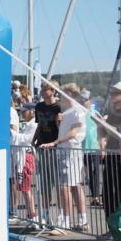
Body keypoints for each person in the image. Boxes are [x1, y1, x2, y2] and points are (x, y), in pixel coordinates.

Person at [39, 84, 87, 232]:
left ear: (71, 94)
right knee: (71, 186)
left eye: (64, 93)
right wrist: (58, 123)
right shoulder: (67, 112)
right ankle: (80, 219)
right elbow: (64, 131)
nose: (60, 96)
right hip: (64, 151)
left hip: (71, 152)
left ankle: (66, 222)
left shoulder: (77, 111)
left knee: (66, 187)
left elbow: (73, 133)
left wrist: (55, 142)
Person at [100, 81, 121, 220]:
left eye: (116, 93)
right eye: (112, 92)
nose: (112, 95)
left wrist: (105, 126)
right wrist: (102, 143)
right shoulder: (111, 112)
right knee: (106, 193)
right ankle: (111, 226)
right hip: (111, 155)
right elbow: (105, 132)